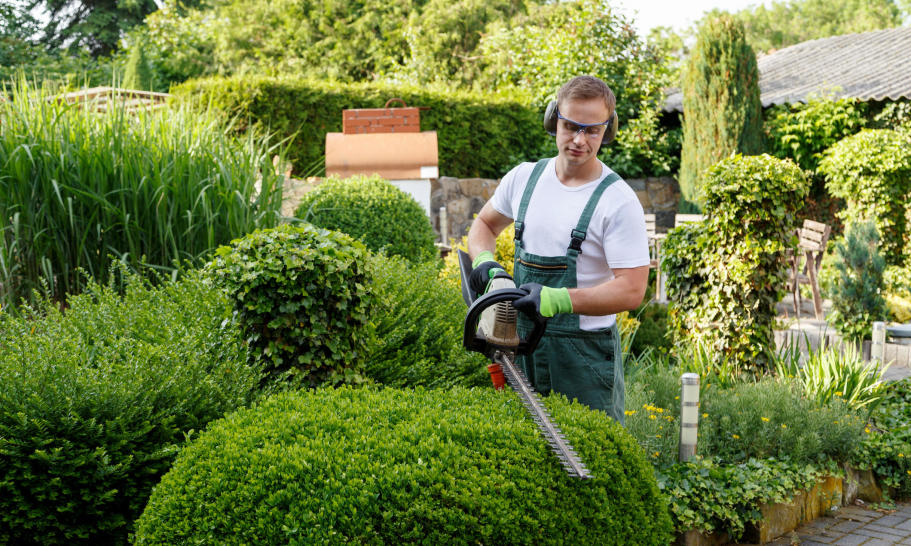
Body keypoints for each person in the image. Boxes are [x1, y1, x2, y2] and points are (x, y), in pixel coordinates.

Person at [466, 75, 650, 424]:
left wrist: (559, 299)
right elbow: (484, 226)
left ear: (607, 131)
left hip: (583, 359)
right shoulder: (524, 179)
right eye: (570, 126)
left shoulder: (617, 200)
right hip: (519, 347)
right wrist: (486, 263)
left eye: (592, 130)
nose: (579, 140)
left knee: (594, 461)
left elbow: (632, 289)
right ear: (554, 120)